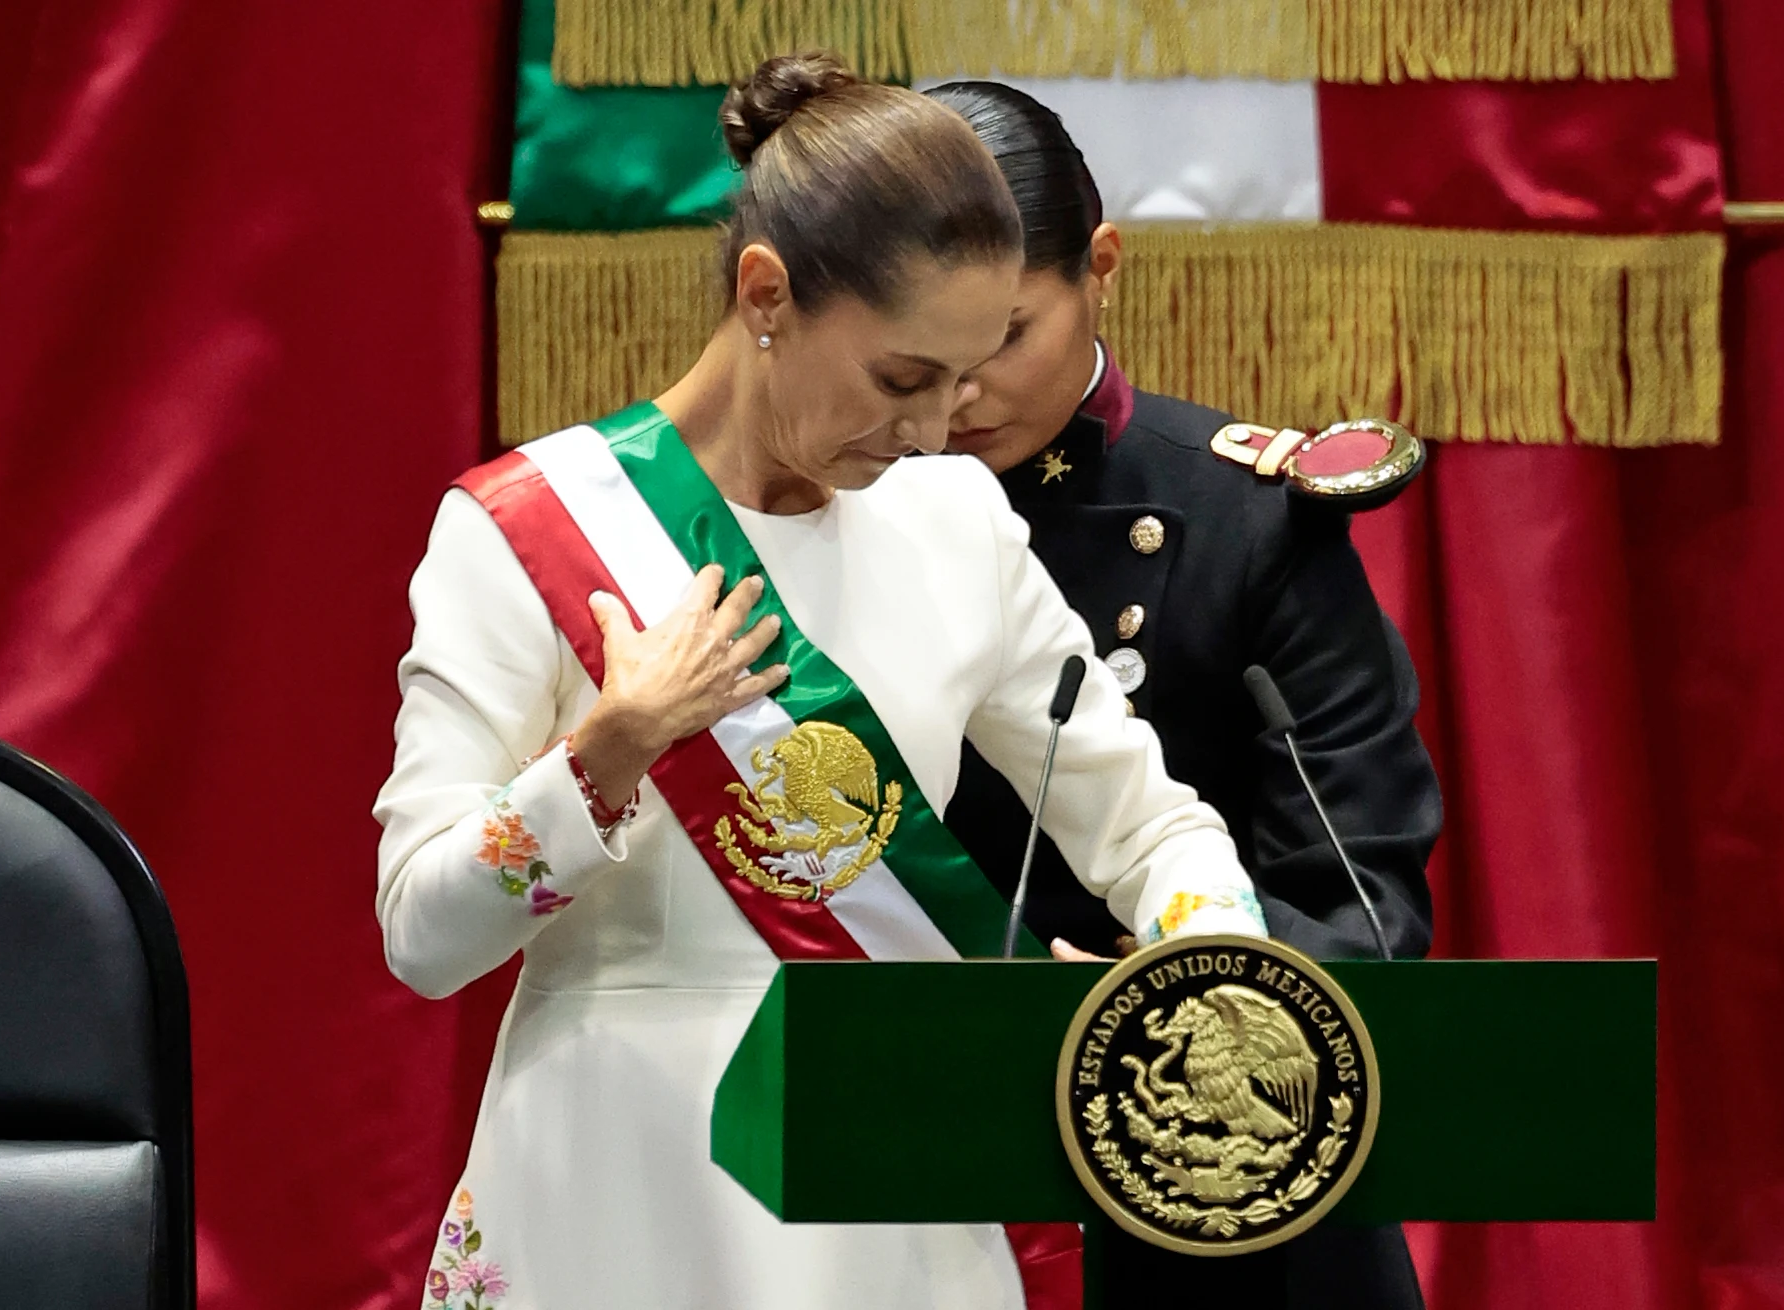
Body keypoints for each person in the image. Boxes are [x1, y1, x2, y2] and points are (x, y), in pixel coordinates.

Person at [376, 53, 1272, 1310]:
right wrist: (607, 754)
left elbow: (1148, 824)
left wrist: (1207, 977)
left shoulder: (954, 519)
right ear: (766, 292)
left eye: (963, 382)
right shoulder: (522, 529)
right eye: (901, 380)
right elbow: (421, 935)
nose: (930, 429)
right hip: (622, 1181)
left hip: (897, 1185)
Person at [927, 80, 1445, 1308]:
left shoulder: (1246, 520)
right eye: (918, 341)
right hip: (918, 1152)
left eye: (1005, 335)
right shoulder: (821, 524)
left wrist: (1166, 1011)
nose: (955, 391)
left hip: (1208, 1181)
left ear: (1099, 266)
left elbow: (1359, 898)